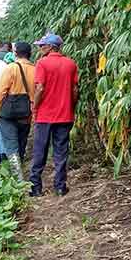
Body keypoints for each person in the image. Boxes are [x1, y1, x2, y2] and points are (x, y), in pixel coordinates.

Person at [29, 33, 79, 197]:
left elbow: (40, 88)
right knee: (61, 151)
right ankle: (60, 187)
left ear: (50, 47)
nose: (40, 48)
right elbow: (75, 90)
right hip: (65, 115)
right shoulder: (70, 64)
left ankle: (35, 188)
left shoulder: (42, 63)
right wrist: (71, 106)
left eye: (42, 45)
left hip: (45, 115)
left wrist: (34, 107)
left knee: (39, 151)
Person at [0, 42, 35, 180]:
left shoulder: (10, 68)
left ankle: (17, 178)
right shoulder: (36, 69)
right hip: (27, 113)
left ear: (15, 53)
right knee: (22, 142)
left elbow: (1, 93)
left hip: (8, 114)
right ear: (30, 53)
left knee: (11, 145)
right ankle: (19, 169)